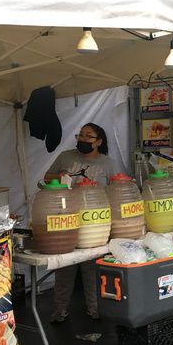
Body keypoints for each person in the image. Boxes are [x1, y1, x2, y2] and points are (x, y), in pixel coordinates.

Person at [44, 123, 120, 322]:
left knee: (91, 267)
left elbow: (116, 188)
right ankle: (60, 310)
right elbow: (47, 177)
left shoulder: (108, 163)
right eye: (81, 135)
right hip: (67, 219)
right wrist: (59, 176)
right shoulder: (66, 157)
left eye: (89, 136)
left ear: (99, 142)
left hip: (95, 223)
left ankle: (94, 309)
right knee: (65, 267)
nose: (83, 139)